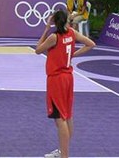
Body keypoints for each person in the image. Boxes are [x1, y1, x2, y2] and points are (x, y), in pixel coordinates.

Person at [35, 10, 96, 158]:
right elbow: (91, 44)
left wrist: (46, 28)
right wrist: (73, 54)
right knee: (67, 115)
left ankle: (65, 155)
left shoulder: (53, 37)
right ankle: (63, 150)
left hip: (57, 79)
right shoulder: (72, 33)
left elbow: (37, 50)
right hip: (68, 77)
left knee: (59, 117)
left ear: (55, 21)